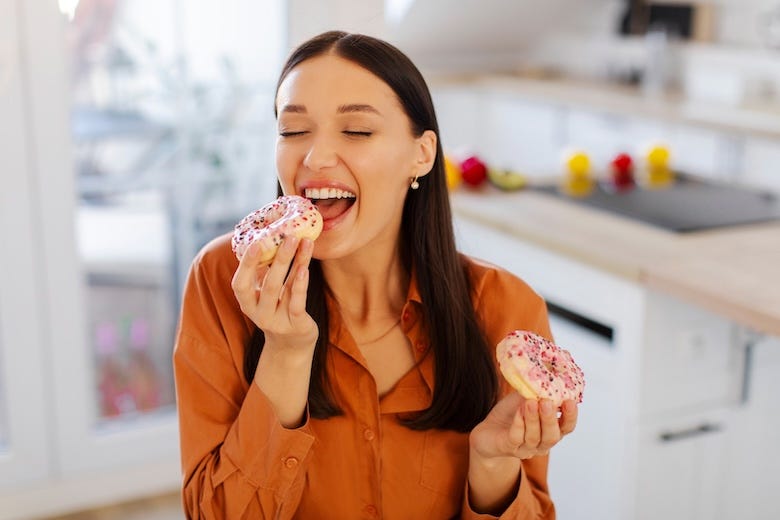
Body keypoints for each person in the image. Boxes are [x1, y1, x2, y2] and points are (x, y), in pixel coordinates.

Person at [173, 30, 578, 519]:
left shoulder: (505, 307)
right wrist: (284, 352)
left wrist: (492, 466)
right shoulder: (223, 281)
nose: (315, 157)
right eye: (293, 130)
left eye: (357, 131)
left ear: (422, 155)